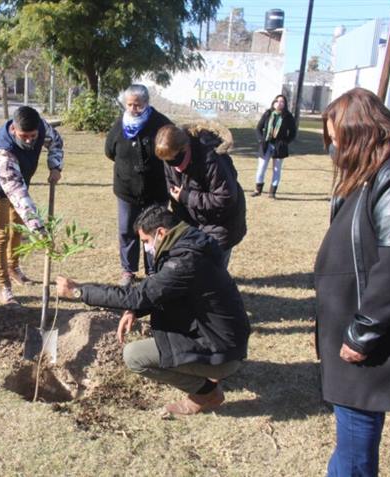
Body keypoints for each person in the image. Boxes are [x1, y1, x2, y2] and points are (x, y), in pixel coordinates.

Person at [56, 204, 250, 415]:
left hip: (223, 351)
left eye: (146, 242)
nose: (147, 248)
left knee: (134, 356)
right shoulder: (191, 242)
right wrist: (135, 310)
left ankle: (206, 394)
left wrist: (79, 291)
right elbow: (160, 290)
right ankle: (207, 371)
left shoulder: (185, 261)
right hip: (225, 340)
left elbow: (139, 295)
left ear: (160, 232)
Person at [315, 87, 390, 476]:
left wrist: (362, 333)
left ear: (359, 133)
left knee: (357, 432)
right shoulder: (367, 173)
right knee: (352, 430)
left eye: (337, 138)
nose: (334, 148)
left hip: (366, 329)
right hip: (349, 318)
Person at [0, 106, 63, 306]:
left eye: (32, 136)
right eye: (24, 136)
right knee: (2, 233)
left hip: (20, 181)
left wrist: (55, 165)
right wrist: (40, 231)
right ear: (14, 130)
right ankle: (3, 286)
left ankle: (13, 267)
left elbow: (56, 142)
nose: (29, 140)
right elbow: (17, 194)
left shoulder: (41, 127)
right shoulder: (4, 152)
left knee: (18, 228)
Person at [105, 84, 172, 286]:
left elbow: (170, 151)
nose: (133, 109)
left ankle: (153, 270)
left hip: (156, 189)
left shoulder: (161, 124)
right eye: (130, 105)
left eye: (138, 105)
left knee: (155, 230)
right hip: (126, 190)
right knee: (127, 230)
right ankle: (128, 270)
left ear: (147, 104)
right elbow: (109, 151)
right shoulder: (120, 125)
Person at [154, 123, 246, 266]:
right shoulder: (170, 160)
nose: (172, 164)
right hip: (195, 222)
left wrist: (186, 197)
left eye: (174, 158)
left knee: (213, 272)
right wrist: (183, 229)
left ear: (185, 148)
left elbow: (225, 198)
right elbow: (175, 197)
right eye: (167, 160)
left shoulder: (212, 159)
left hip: (222, 223)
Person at [252, 94, 297, 198]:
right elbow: (259, 128)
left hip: (279, 146)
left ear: (284, 104)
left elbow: (293, 132)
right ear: (274, 103)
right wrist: (260, 140)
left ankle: (272, 192)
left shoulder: (288, 116)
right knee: (261, 168)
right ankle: (257, 190)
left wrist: (285, 142)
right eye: (277, 101)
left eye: (282, 102)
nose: (279, 103)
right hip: (266, 144)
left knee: (276, 169)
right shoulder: (268, 113)